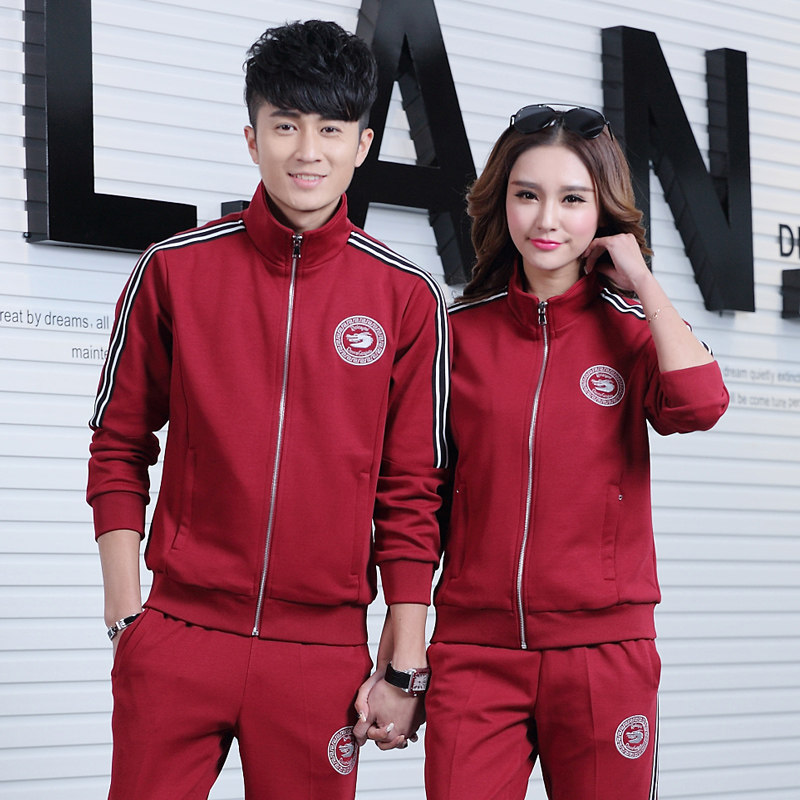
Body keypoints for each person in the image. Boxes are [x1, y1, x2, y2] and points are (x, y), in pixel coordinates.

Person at [86, 19, 447, 799]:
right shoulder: (173, 269)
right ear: (252, 139)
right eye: (285, 125)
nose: (307, 151)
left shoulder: (407, 297)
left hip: (320, 654)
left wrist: (404, 662)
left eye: (330, 129)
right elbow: (119, 441)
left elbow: (412, 489)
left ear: (363, 144)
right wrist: (126, 615)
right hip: (180, 634)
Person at [422, 104, 729, 799]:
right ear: (502, 202)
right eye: (527, 195)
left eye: (572, 199)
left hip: (604, 652)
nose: (546, 220)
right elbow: (419, 493)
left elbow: (700, 404)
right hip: (476, 651)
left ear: (603, 212)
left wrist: (643, 282)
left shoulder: (634, 329)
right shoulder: (454, 333)